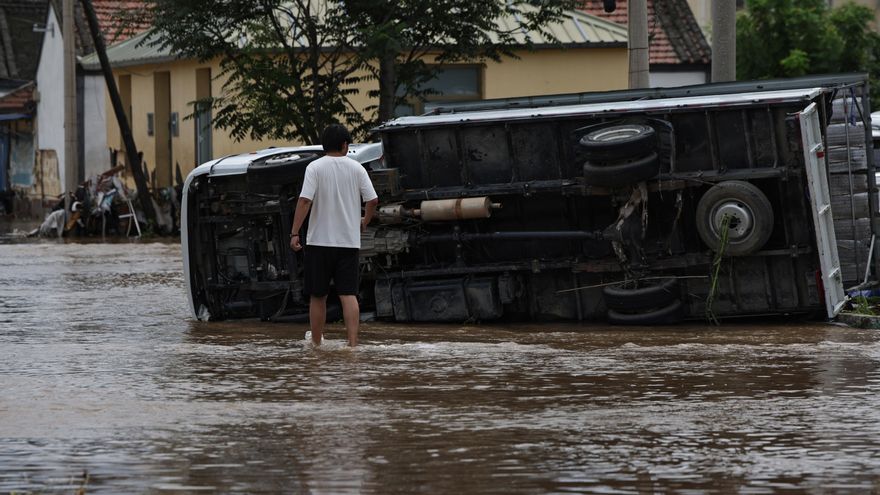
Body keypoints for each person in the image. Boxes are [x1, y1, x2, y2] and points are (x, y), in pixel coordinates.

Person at [289, 124, 378, 347]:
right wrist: (364, 222)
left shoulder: (314, 168)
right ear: (345, 145)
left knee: (318, 296)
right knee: (348, 294)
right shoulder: (357, 168)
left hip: (319, 242)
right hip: (348, 242)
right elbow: (373, 200)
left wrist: (294, 232)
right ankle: (353, 344)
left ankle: (317, 344)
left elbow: (305, 200)